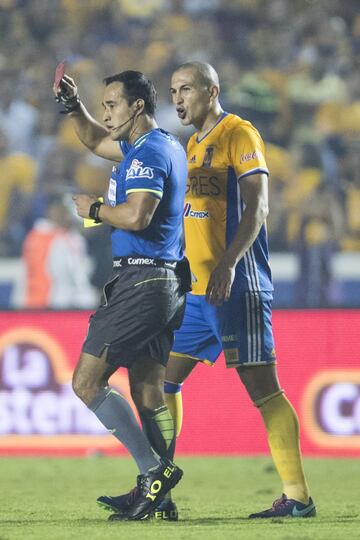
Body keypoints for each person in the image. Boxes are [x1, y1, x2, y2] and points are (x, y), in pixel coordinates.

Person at [101, 61, 316, 520]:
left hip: (236, 287)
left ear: (212, 90)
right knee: (160, 382)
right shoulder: (191, 145)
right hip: (194, 294)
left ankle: (297, 497)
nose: (178, 99)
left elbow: (258, 208)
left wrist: (228, 265)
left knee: (264, 391)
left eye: (187, 90)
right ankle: (160, 483)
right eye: (174, 91)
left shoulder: (239, 134)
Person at [53, 69, 190, 521]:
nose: (106, 113)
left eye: (112, 104)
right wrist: (75, 106)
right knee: (148, 390)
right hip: (165, 284)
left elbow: (137, 216)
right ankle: (159, 492)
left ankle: (154, 472)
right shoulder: (155, 145)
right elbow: (94, 140)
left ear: (137, 108)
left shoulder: (146, 154)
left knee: (86, 382)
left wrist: (94, 208)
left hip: (143, 282)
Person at [22, 195, 97, 309]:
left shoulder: (35, 235)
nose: (67, 216)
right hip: (55, 304)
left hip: (37, 303)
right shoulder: (62, 239)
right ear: (53, 211)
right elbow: (77, 277)